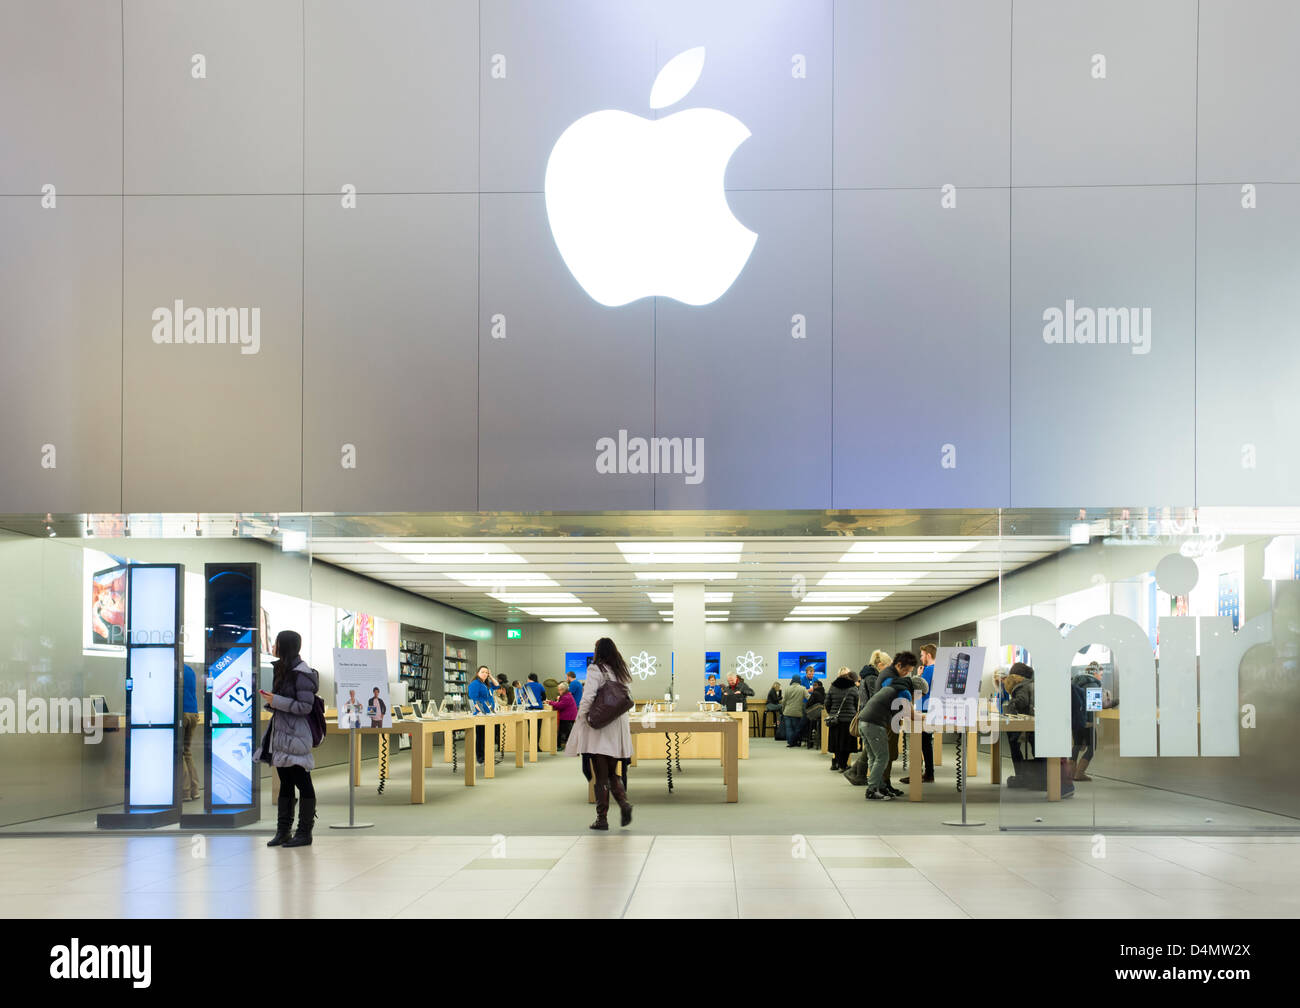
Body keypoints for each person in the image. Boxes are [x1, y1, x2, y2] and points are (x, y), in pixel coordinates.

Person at [258, 630, 319, 847]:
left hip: (296, 734)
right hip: (281, 733)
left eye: (275, 643)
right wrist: (271, 700)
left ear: (283, 646)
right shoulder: (282, 669)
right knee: (285, 782)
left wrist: (277, 701)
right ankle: (283, 830)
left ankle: (304, 832)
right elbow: (285, 701)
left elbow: (305, 706)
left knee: (302, 781)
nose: (272, 646)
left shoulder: (302, 673)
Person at [566, 637, 634, 830]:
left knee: (600, 774)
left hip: (599, 727)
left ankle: (602, 818)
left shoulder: (595, 669)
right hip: (617, 725)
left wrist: (581, 719)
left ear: (598, 651)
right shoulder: (622, 671)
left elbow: (588, 698)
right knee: (612, 772)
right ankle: (624, 804)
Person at [860, 651, 927, 800]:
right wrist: (924, 716)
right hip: (875, 722)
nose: (906, 674)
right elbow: (910, 714)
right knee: (883, 757)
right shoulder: (902, 689)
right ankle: (872, 789)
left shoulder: (894, 680)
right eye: (906, 671)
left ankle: (880, 787)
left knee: (874, 757)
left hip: (864, 720)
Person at [844, 651, 891, 785]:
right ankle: (869, 780)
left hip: (866, 716)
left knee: (870, 750)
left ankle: (858, 773)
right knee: (876, 753)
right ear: (880, 665)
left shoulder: (867, 675)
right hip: (872, 718)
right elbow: (876, 698)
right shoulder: (872, 678)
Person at [902, 643, 938, 786]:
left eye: (922, 655)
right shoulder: (938, 669)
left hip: (923, 709)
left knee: (919, 743)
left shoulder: (929, 670)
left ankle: (919, 774)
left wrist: (918, 675)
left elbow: (919, 688)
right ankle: (928, 773)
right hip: (932, 708)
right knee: (926, 743)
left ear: (928, 655)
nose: (921, 658)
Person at [1071, 662, 1103, 781]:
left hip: (1076, 720)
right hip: (1087, 721)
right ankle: (1079, 773)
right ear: (1095, 672)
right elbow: (1095, 706)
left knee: (1077, 745)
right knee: (1092, 747)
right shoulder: (1093, 685)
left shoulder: (1076, 682)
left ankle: (1070, 773)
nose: (1101, 676)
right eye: (1101, 674)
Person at [825, 666, 859, 772]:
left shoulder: (833, 687)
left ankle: (839, 763)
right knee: (847, 744)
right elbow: (856, 703)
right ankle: (843, 765)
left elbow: (827, 703)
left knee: (836, 743)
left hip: (835, 720)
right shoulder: (853, 688)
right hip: (849, 720)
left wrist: (832, 713)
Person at [468, 665, 502, 765]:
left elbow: (497, 686)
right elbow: (473, 698)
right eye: (482, 672)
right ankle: (481, 758)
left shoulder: (487, 684)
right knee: (481, 736)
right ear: (477, 673)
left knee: (488, 736)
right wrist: (480, 710)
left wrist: (490, 676)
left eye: (486, 672)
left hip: (489, 713)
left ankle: (488, 757)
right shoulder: (475, 684)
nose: (485, 674)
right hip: (481, 714)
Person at [181, 663, 199, 801]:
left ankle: (185, 792)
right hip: (193, 712)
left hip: (181, 712)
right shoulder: (189, 670)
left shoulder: (172, 669)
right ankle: (195, 790)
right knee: (186, 751)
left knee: (178, 752)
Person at [548, 682, 578, 749]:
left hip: (567, 717)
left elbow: (560, 705)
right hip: (570, 716)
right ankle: (564, 746)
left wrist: (550, 702)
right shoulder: (567, 695)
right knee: (567, 732)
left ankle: (559, 746)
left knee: (562, 732)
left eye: (559, 690)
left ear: (563, 690)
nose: (558, 691)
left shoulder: (566, 697)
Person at [781, 675, 807, 747]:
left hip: (787, 711)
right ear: (799, 680)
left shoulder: (787, 689)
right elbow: (809, 697)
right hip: (797, 712)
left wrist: (783, 710)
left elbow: (784, 701)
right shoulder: (803, 689)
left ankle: (790, 743)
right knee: (796, 728)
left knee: (789, 728)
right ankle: (796, 742)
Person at [802, 676, 826, 748]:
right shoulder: (825, 693)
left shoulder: (814, 693)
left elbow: (808, 703)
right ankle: (821, 741)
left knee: (804, 723)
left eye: (815, 685)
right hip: (822, 715)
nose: (813, 686)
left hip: (814, 715)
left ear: (818, 686)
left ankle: (808, 742)